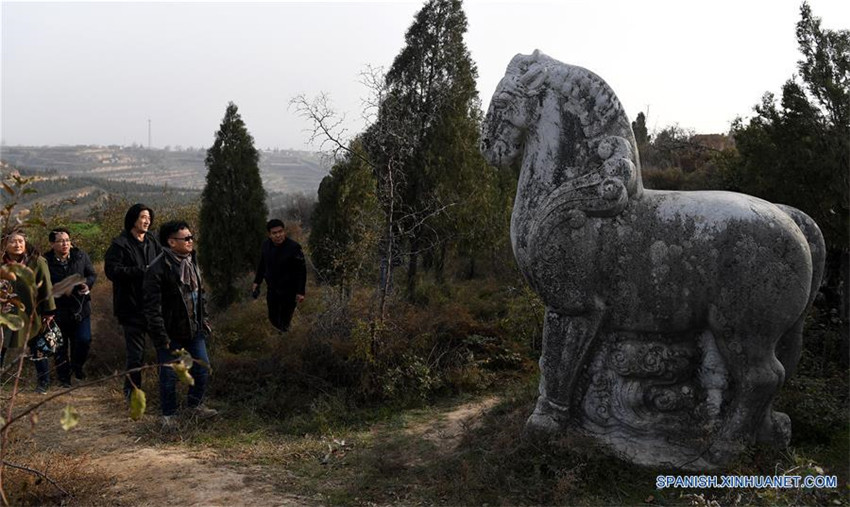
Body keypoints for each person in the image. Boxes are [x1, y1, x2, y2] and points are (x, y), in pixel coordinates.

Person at [143, 220, 216, 427]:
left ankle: (195, 406)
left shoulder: (192, 261)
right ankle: (169, 415)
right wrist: (160, 336)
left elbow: (199, 294)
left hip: (194, 329)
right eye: (186, 238)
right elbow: (152, 308)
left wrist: (205, 320)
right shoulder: (157, 268)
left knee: (202, 368)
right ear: (171, 242)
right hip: (169, 332)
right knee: (169, 374)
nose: (191, 242)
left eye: (191, 237)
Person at [104, 203, 161, 399]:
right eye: (143, 217)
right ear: (133, 219)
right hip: (131, 308)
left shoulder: (153, 240)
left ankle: (165, 390)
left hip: (153, 307)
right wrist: (139, 271)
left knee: (164, 349)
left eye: (149, 217)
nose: (147, 221)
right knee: (136, 356)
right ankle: (132, 393)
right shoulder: (119, 244)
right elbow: (111, 271)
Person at [0, 228, 56, 393]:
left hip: (31, 311)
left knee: (37, 346)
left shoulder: (37, 261)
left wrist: (49, 311)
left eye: (20, 241)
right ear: (4, 243)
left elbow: (47, 286)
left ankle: (43, 383)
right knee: (1, 345)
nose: (17, 245)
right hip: (6, 310)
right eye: (12, 241)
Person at [44, 227, 96, 386]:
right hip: (57, 309)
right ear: (52, 244)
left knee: (83, 340)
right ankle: (64, 378)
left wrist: (87, 284)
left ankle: (77, 367)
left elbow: (91, 274)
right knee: (59, 345)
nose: (65, 244)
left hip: (80, 307)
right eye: (60, 241)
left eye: (67, 240)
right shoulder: (46, 261)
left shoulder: (80, 256)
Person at [252, 219, 306, 332]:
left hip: (289, 290)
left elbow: (301, 271)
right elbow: (262, 264)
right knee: (273, 318)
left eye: (280, 231)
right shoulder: (266, 245)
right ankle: (283, 336)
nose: (278, 235)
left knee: (285, 320)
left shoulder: (294, 247)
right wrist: (257, 282)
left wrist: (301, 291)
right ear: (269, 234)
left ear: (284, 231)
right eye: (274, 233)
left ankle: (286, 341)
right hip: (272, 289)